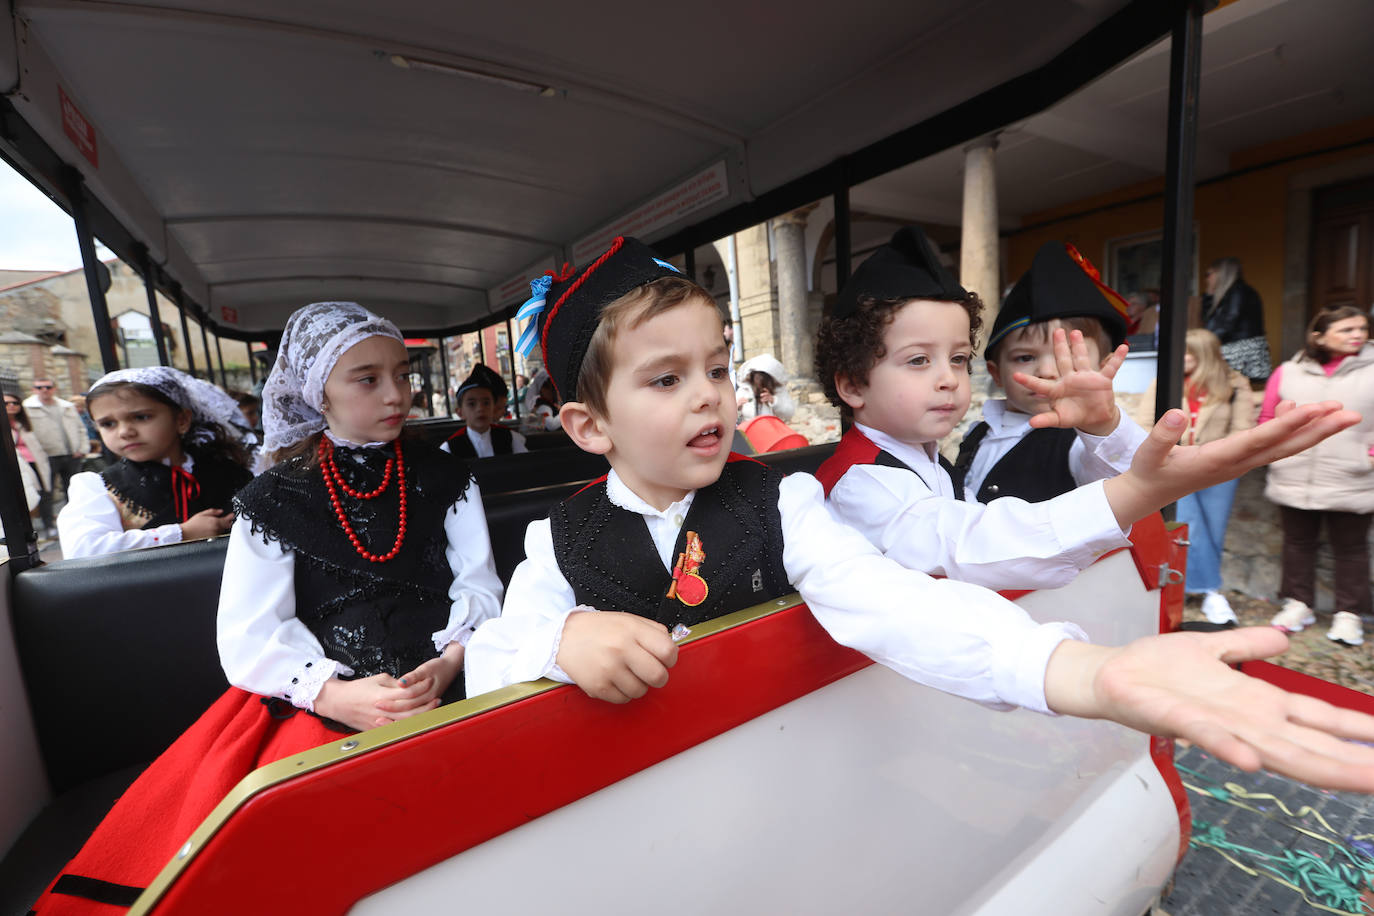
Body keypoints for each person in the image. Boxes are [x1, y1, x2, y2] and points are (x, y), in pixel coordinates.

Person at [464, 234, 1374, 796]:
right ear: (587, 425)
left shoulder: (785, 502)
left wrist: (1085, 671)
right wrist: (558, 644)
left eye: (714, 368)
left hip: (784, 779)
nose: (709, 398)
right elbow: (492, 662)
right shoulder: (556, 540)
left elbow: (899, 598)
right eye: (666, 379)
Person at [33, 302, 504, 914]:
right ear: (319, 396)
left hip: (450, 669)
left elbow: (481, 585)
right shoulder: (273, 498)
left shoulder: (447, 478)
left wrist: (452, 659)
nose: (396, 394)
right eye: (367, 378)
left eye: (403, 374)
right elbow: (251, 632)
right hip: (326, 691)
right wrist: (335, 694)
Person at [951, 240, 1147, 504]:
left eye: (1067, 356)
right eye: (1025, 357)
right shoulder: (978, 432)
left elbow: (1129, 480)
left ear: (1104, 365)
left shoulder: (1082, 444)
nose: (1046, 371)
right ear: (996, 373)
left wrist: (1101, 425)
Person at [55, 367, 254, 559]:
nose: (125, 432)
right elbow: (83, 550)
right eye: (108, 424)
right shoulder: (98, 487)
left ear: (182, 420)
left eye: (141, 417)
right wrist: (181, 533)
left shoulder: (230, 474)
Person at [1262, 306, 1374, 646]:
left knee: (1351, 548)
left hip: (1353, 475)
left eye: (1362, 328)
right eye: (1346, 329)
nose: (1358, 334)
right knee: (1297, 544)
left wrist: (1369, 455)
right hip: (1292, 473)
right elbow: (1268, 418)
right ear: (1319, 336)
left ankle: (1349, 615)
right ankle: (1298, 605)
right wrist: (1275, 451)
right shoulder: (1288, 371)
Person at [1132, 329, 1254, 625]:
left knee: (1214, 530)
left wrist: (1215, 457)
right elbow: (1144, 423)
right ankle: (1210, 592)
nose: (1183, 358)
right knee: (1190, 528)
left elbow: (1242, 429)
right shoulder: (1164, 380)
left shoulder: (1235, 384)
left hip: (1222, 468)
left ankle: (1188, 586)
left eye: (1190, 353)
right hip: (1176, 464)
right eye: (1181, 352)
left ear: (1207, 355)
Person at [22, 377, 86, 537]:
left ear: (54, 388)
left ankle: (78, 521)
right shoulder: (26, 408)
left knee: (73, 489)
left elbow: (80, 428)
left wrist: (82, 448)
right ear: (34, 390)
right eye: (39, 387)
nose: (44, 390)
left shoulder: (67, 406)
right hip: (45, 458)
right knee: (46, 493)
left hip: (71, 454)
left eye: (48, 387)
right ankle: (49, 526)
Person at [1203, 256, 1270, 381]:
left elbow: (1226, 323)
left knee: (1222, 385)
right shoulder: (1234, 292)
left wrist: (1205, 342)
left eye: (1208, 274)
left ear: (1220, 273)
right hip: (1242, 351)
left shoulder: (1237, 292)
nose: (1206, 278)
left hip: (1239, 352)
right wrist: (1209, 295)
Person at [442, 366, 529, 458]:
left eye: (486, 403)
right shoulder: (449, 448)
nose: (480, 408)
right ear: (460, 413)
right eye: (472, 404)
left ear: (493, 408)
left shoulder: (511, 439)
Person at [735, 353, 796, 422]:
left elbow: (789, 414)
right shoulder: (744, 390)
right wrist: (737, 408)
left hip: (772, 429)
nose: (759, 381)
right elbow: (730, 419)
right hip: (749, 430)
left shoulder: (778, 390)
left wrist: (774, 401)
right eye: (757, 377)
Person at [525, 366, 561, 431]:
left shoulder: (542, 405)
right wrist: (563, 413)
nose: (553, 391)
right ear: (541, 390)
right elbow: (551, 425)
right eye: (548, 388)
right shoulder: (544, 407)